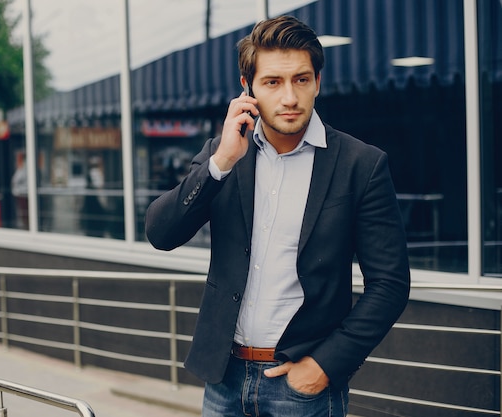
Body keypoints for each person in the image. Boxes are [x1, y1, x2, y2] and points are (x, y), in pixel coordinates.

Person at [145, 15, 410, 417]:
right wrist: (220, 164)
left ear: (317, 82)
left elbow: (390, 284)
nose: (290, 97)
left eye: (301, 80)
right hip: (224, 379)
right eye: (272, 82)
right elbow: (161, 233)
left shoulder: (361, 164)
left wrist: (325, 367)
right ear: (247, 88)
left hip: (301, 386)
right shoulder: (225, 152)